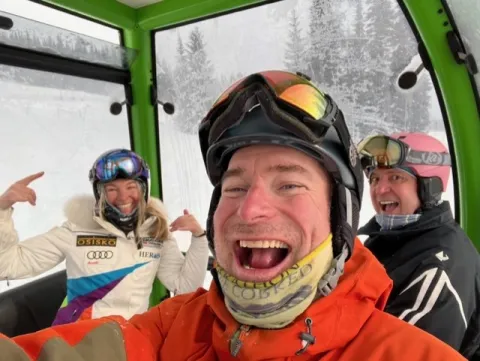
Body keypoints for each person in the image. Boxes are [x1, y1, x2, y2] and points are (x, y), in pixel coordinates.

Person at [0, 71, 465, 360]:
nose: (250, 207)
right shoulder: (172, 329)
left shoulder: (403, 352)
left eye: (289, 184)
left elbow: (181, 280)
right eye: (235, 187)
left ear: (337, 214)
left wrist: (193, 239)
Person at [0, 148, 209, 325]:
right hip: (75, 341)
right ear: (99, 192)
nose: (123, 196)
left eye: (131, 186)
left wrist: (199, 238)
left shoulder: (155, 233)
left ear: (144, 189)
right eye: (112, 189)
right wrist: (2, 209)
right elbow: (8, 265)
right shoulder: (76, 231)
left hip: (128, 342)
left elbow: (184, 287)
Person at [356, 132, 480, 359]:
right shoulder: (388, 240)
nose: (380, 189)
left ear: (428, 187)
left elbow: (395, 353)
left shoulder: (439, 267)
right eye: (374, 178)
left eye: (395, 178)